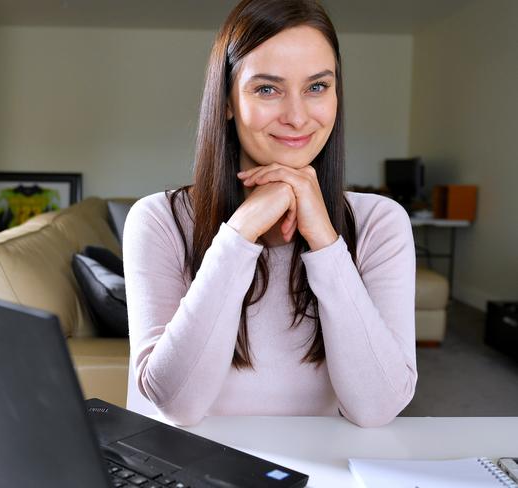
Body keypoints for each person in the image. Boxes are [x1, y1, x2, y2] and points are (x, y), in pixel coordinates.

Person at [123, 0, 417, 427]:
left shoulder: (379, 222)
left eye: (317, 87)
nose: (297, 117)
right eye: (267, 89)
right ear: (227, 101)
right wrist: (239, 233)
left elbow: (377, 409)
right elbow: (177, 406)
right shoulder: (158, 220)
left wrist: (326, 243)